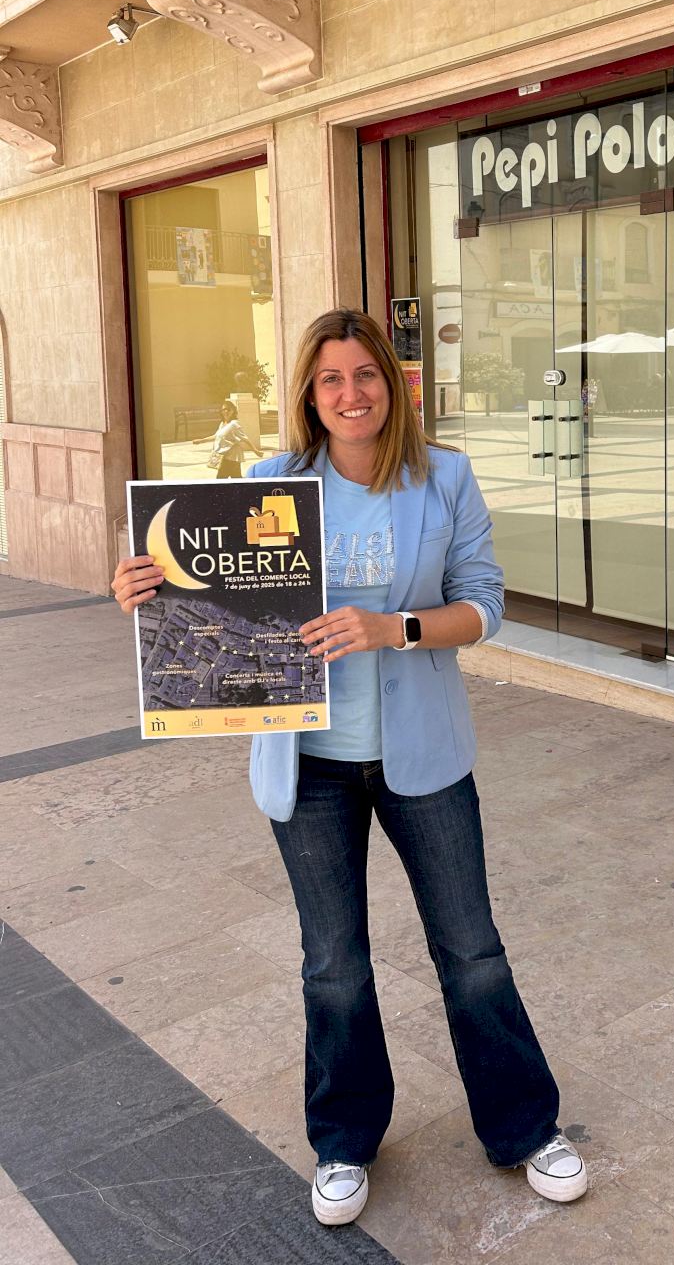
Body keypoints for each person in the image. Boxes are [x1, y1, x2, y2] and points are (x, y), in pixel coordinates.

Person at [112, 308, 586, 1227]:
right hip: (310, 766)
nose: (350, 393)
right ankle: (343, 1140)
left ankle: (526, 1127)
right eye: (330, 378)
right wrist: (145, 586)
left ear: (393, 384)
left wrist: (392, 628)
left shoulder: (443, 476)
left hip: (424, 757)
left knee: (472, 950)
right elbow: (209, 595)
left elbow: (485, 605)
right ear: (309, 393)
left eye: (365, 374)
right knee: (333, 964)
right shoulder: (270, 483)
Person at [195, 399, 262, 478]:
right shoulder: (222, 423)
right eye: (224, 409)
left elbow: (244, 438)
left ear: (233, 411)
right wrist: (201, 440)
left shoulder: (234, 424)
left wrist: (255, 450)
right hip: (224, 456)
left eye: (228, 409)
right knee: (235, 478)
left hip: (232, 457)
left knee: (222, 479)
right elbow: (216, 436)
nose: (226, 411)